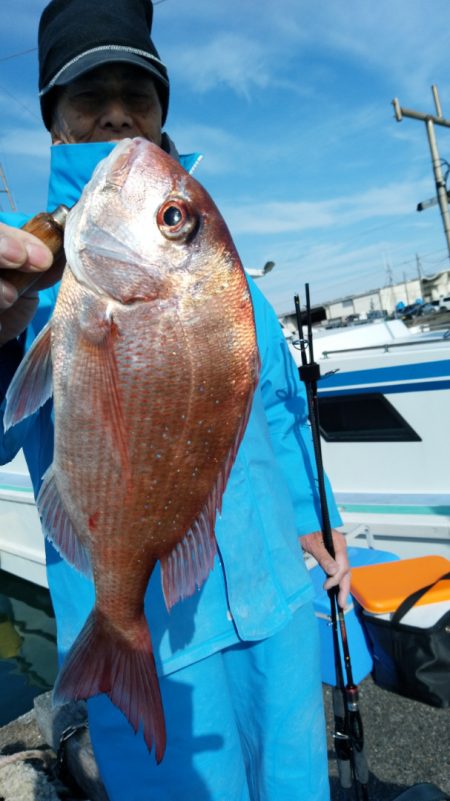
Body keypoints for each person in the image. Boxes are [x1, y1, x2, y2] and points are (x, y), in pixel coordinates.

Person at [0, 1, 351, 799]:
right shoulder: (28, 273)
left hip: (278, 608)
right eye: (90, 94)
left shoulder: (204, 259)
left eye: (138, 91)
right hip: (152, 645)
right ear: (54, 120)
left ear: (163, 109)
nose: (118, 111)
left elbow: (274, 402)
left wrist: (309, 507)